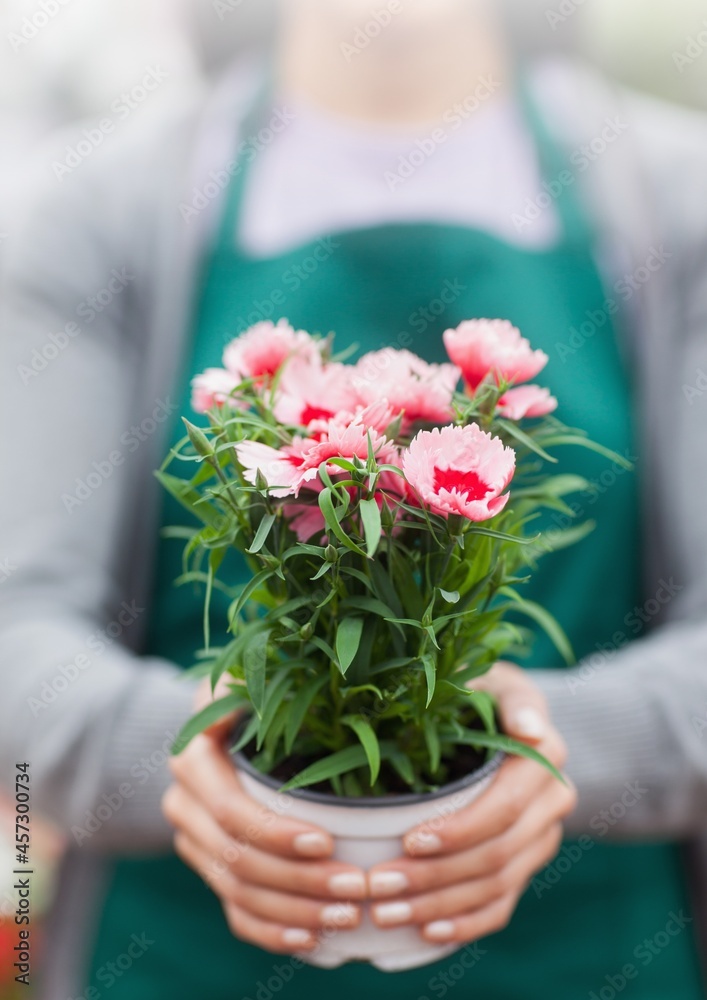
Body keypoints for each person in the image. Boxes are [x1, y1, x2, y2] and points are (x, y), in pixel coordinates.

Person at [1, 1, 707, 997]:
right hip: (181, 963)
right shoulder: (99, 204)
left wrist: (544, 745)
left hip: (588, 957)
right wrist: (182, 758)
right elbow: (17, 635)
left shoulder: (673, 199)